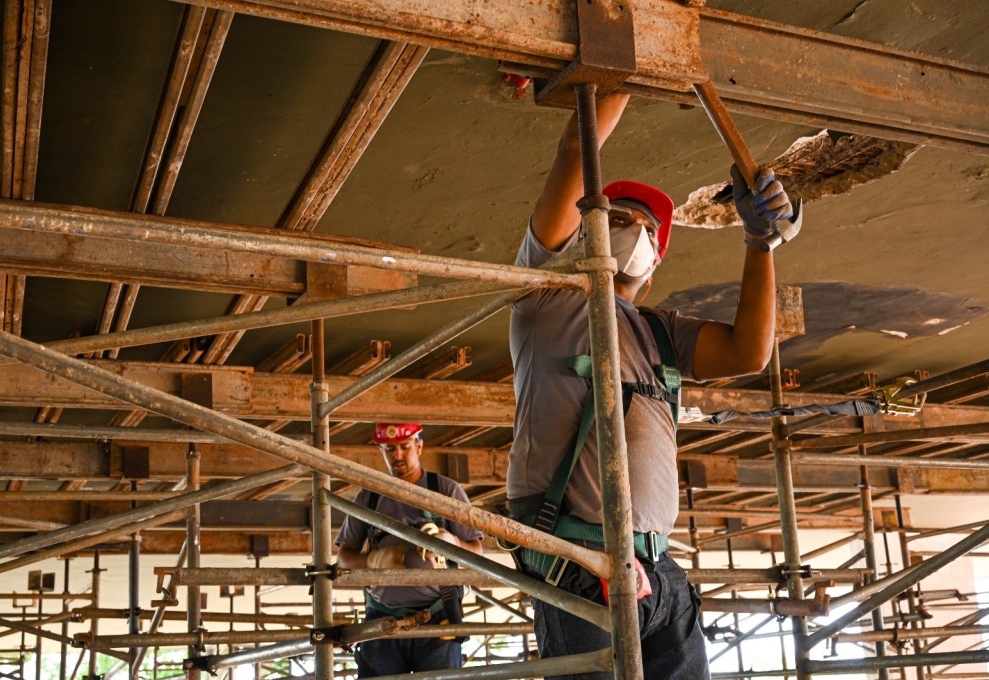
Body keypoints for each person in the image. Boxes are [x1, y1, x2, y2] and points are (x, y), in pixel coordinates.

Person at [507, 93, 801, 678]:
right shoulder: (550, 300)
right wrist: (625, 62)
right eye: (615, 219)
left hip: (659, 568)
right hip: (579, 560)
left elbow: (748, 351)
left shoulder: (661, 333)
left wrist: (760, 245)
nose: (631, 231)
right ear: (586, 231)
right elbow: (574, 148)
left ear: (657, 256)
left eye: (644, 228)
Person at [336, 422, 484, 676]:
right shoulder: (369, 497)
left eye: (405, 447)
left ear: (419, 445)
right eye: (389, 449)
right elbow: (344, 559)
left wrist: (452, 544)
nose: (398, 455)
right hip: (381, 617)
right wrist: (374, 559)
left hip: (438, 617)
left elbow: (477, 553)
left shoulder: (445, 490)